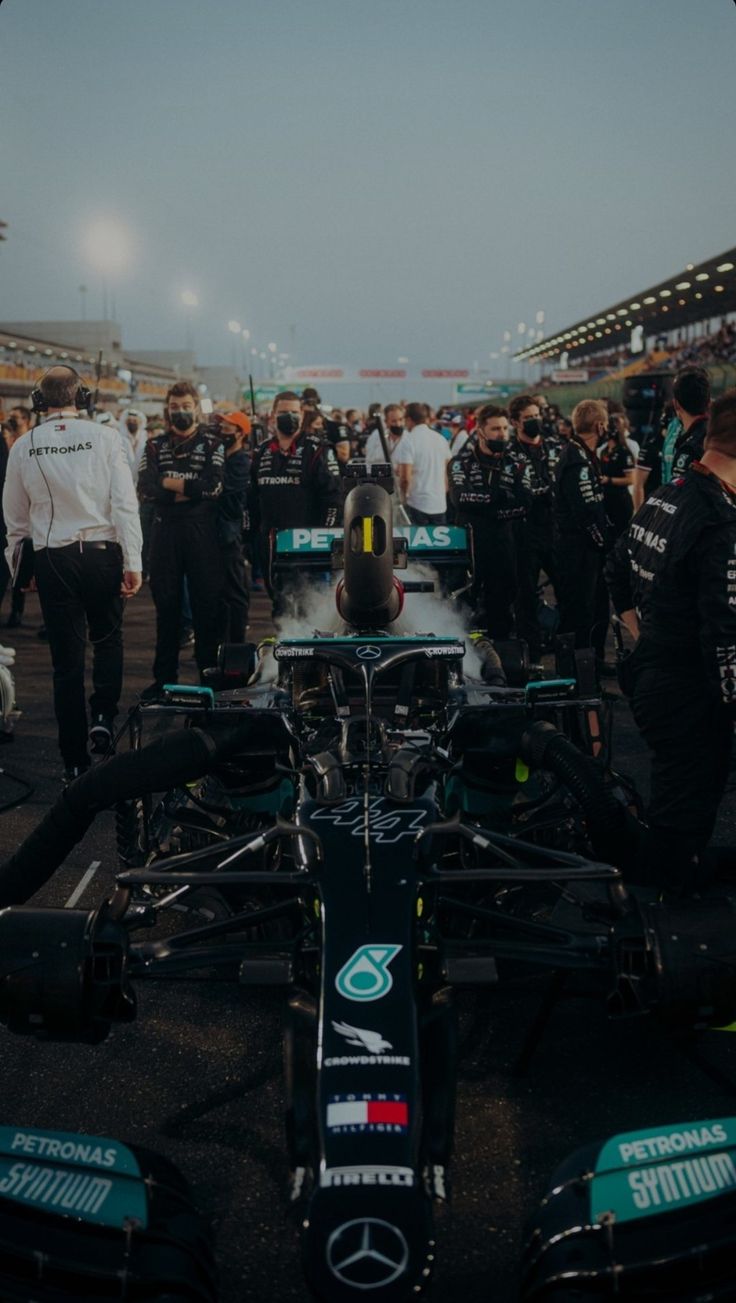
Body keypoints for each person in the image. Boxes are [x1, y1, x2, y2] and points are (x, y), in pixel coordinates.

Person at [606, 388, 736, 895]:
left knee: (675, 800)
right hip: (686, 690)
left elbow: (616, 567)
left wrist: (647, 632)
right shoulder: (720, 520)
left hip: (652, 670)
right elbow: (724, 634)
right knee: (684, 811)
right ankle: (672, 916)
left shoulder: (667, 493)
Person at [2, 365, 142, 783]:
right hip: (102, 554)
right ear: (83, 398)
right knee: (108, 638)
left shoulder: (25, 445)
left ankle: (74, 761)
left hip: (53, 559)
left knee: (65, 664)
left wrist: (20, 570)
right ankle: (103, 715)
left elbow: (14, 521)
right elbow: (124, 504)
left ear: (38, 401)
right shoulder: (107, 438)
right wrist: (133, 560)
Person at [138, 380, 225, 696]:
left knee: (206, 609)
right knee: (167, 608)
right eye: (175, 407)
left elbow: (213, 488)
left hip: (202, 534)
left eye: (186, 406)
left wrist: (169, 483)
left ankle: (209, 677)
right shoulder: (154, 445)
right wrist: (189, 488)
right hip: (166, 533)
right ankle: (163, 680)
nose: (180, 412)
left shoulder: (213, 445)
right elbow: (146, 489)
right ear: (167, 410)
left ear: (196, 408)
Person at [248, 391, 342, 611]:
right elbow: (251, 497)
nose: (288, 416)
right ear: (272, 415)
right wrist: (250, 537)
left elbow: (334, 497)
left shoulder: (317, 449)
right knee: (281, 606)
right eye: (283, 412)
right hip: (272, 543)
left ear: (302, 414)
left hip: (308, 544)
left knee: (314, 607)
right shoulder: (261, 452)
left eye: (293, 412)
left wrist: (325, 535)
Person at [448, 405, 527, 637]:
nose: (502, 434)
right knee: (463, 609)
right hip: (468, 546)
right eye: (495, 429)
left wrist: (485, 509)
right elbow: (460, 498)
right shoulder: (459, 462)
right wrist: (501, 498)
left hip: (504, 545)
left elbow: (524, 504)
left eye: (505, 428)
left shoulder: (517, 463)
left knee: (501, 609)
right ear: (480, 431)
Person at [554, 399, 611, 666]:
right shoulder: (576, 459)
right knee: (578, 612)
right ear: (600, 425)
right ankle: (575, 675)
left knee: (589, 609)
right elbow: (585, 512)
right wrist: (602, 543)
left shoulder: (581, 454)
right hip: (577, 551)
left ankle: (587, 668)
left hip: (581, 549)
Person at [507, 394, 557, 663]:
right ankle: (532, 655)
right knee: (525, 596)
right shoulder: (510, 453)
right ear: (515, 422)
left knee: (568, 589)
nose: (535, 421)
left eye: (537, 416)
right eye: (528, 418)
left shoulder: (555, 446)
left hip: (555, 532)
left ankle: (564, 644)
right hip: (524, 536)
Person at [633, 366, 710, 508]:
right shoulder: (719, 434)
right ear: (709, 402)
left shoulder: (689, 447)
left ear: (676, 405)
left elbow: (681, 502)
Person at [216, 411, 251, 643]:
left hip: (231, 533)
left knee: (235, 592)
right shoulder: (222, 457)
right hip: (214, 532)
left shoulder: (242, 461)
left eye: (227, 428)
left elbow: (223, 489)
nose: (222, 431)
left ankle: (237, 645)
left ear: (240, 433)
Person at [395, 401, 451, 524]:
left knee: (418, 541)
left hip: (417, 503)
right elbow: (448, 471)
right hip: (439, 503)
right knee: (438, 542)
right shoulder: (441, 439)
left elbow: (405, 478)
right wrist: (442, 491)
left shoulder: (408, 441)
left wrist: (404, 497)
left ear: (409, 419)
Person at [599, 413, 635, 537]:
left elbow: (631, 479)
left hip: (620, 501)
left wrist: (608, 480)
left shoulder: (624, 452)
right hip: (606, 501)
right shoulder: (603, 451)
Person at [364, 404, 404, 468]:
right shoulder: (376, 437)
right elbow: (369, 462)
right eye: (394, 421)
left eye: (400, 419)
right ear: (386, 421)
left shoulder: (408, 437)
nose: (398, 424)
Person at [118, 406, 148, 482]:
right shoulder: (120, 438)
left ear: (140, 422)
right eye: (129, 421)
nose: (132, 423)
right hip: (124, 478)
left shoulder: (145, 438)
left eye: (135, 421)